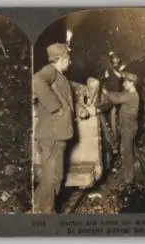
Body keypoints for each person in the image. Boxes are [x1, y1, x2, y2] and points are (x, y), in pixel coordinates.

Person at [32, 43, 88, 214]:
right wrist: (54, 106)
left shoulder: (59, 77)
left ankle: (37, 207)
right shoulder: (50, 71)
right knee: (52, 177)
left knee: (55, 176)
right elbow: (36, 81)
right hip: (52, 135)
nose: (69, 62)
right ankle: (47, 214)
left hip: (57, 134)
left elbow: (64, 101)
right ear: (61, 58)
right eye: (68, 59)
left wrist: (79, 109)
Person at [96, 72, 140, 184]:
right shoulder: (128, 93)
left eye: (126, 82)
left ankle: (129, 177)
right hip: (127, 127)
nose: (124, 83)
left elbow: (117, 99)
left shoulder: (132, 96)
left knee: (127, 152)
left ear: (132, 83)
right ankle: (127, 173)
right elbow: (119, 94)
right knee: (125, 150)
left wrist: (105, 92)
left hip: (129, 128)